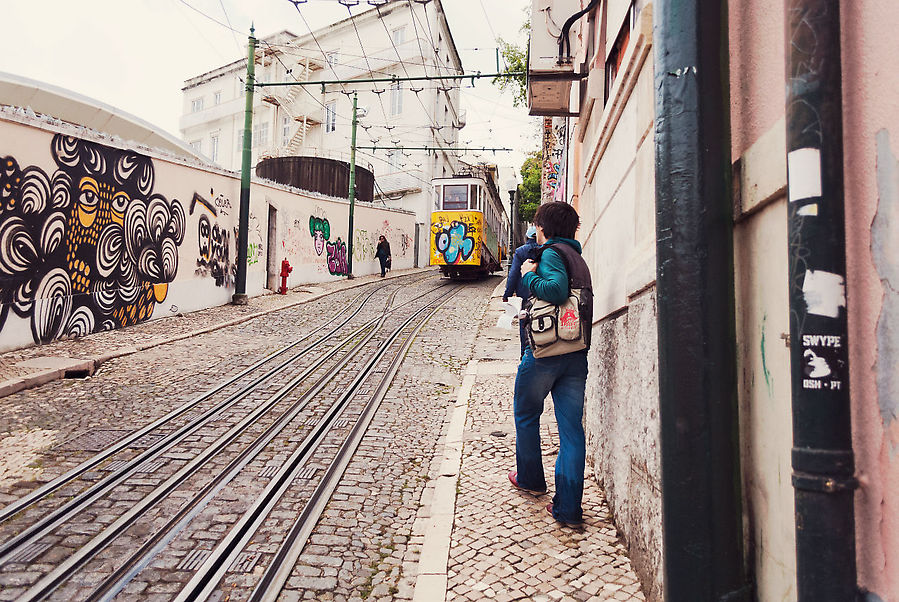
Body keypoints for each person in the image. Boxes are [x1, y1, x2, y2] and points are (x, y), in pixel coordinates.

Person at [507, 201, 592, 528]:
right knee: (571, 430)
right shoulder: (579, 260)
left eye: (538, 226)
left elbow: (555, 291)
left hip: (545, 352)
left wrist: (528, 276)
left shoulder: (552, 253)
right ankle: (568, 509)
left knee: (526, 411)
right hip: (575, 354)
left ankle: (530, 477)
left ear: (545, 228)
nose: (536, 231)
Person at [503, 225, 539, 356]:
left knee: (524, 324)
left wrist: (507, 294)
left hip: (524, 296)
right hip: (541, 294)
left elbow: (513, 275)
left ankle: (525, 355)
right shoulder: (545, 249)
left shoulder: (520, 252)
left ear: (527, 237)